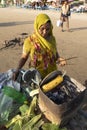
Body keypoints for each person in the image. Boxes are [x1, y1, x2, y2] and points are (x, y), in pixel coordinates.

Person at [13, 13, 66, 81]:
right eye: (42, 29)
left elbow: (54, 52)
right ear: (37, 27)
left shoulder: (52, 39)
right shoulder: (30, 41)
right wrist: (17, 69)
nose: (45, 32)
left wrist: (59, 59)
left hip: (52, 73)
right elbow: (24, 57)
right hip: (37, 75)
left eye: (47, 29)